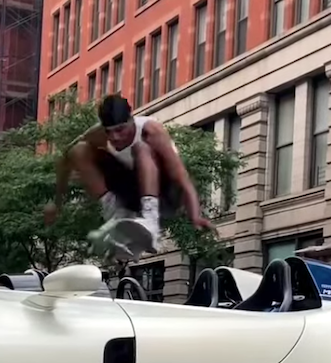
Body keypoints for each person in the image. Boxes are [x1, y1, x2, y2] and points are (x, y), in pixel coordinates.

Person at [44, 94, 213, 258]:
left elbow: (182, 177)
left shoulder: (151, 130)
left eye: (120, 130)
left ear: (131, 120)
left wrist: (195, 215)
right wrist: (57, 204)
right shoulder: (97, 135)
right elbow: (65, 161)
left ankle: (150, 220)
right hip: (134, 190)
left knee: (140, 148)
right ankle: (116, 214)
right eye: (109, 132)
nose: (115, 137)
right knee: (78, 151)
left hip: (167, 193)